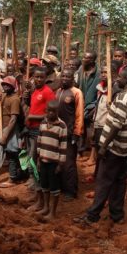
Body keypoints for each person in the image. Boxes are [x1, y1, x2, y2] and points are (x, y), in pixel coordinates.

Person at [74, 67, 127, 225]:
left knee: (104, 181)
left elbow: (117, 124)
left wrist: (104, 145)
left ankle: (92, 215)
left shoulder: (123, 98)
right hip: (124, 147)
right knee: (119, 181)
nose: (117, 79)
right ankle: (117, 214)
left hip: (113, 146)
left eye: (120, 77)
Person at [32, 100, 67, 220]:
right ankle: (46, 207)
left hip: (54, 163)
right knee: (44, 185)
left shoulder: (62, 126)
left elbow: (63, 147)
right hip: (43, 160)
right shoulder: (43, 123)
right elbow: (39, 141)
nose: (51, 114)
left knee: (54, 188)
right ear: (46, 111)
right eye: (49, 111)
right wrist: (38, 159)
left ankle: (52, 212)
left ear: (58, 112)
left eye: (54, 111)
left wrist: (60, 165)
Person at [24, 67, 56, 191]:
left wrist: (33, 117)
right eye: (36, 77)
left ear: (45, 78)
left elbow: (51, 114)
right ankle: (32, 178)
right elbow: (31, 106)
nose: (38, 79)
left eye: (41, 77)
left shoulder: (48, 92)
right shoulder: (34, 91)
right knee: (30, 154)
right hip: (30, 128)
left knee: (34, 155)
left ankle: (36, 182)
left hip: (40, 129)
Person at [55, 69, 84, 200]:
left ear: (72, 79)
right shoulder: (58, 92)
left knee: (69, 162)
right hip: (57, 132)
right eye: (63, 76)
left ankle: (71, 191)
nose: (65, 78)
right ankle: (61, 186)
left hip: (70, 133)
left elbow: (79, 114)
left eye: (68, 76)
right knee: (58, 160)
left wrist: (77, 133)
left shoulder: (76, 92)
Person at [0, 76, 25, 188]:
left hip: (10, 129)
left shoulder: (15, 99)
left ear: (13, 86)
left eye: (7, 84)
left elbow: (13, 119)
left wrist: (5, 136)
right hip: (2, 127)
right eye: (3, 84)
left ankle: (12, 178)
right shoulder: (3, 96)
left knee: (12, 153)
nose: (4, 86)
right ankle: (18, 175)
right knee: (10, 154)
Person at [76, 51, 100, 156]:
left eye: (86, 58)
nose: (83, 59)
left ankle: (92, 153)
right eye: (84, 57)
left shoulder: (98, 73)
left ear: (92, 61)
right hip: (81, 101)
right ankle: (80, 149)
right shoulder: (81, 69)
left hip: (92, 105)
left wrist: (95, 106)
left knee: (91, 130)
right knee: (79, 127)